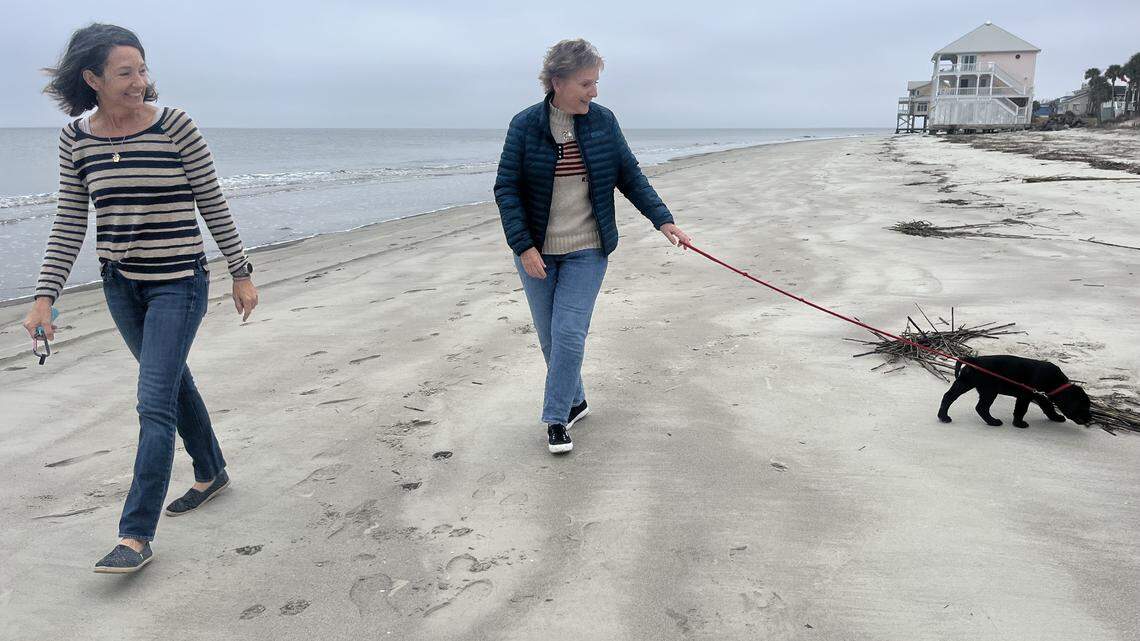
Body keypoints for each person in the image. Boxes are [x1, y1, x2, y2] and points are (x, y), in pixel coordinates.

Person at [22, 23, 258, 573]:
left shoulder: (176, 126)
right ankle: (212, 471)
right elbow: (69, 222)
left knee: (153, 402)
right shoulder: (76, 138)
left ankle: (134, 535)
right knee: (172, 382)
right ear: (92, 79)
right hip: (121, 286)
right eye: (125, 72)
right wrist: (43, 298)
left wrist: (240, 271)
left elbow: (212, 202)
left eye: (143, 69)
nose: (139, 81)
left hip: (180, 280)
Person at [494, 39, 690, 455]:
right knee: (551, 338)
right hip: (536, 251)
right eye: (586, 83)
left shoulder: (603, 122)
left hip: (588, 247)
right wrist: (524, 246)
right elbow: (506, 188)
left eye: (596, 83)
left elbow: (629, 175)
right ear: (557, 81)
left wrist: (664, 220)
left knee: (569, 332)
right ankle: (576, 400)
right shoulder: (525, 125)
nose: (594, 92)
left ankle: (555, 418)